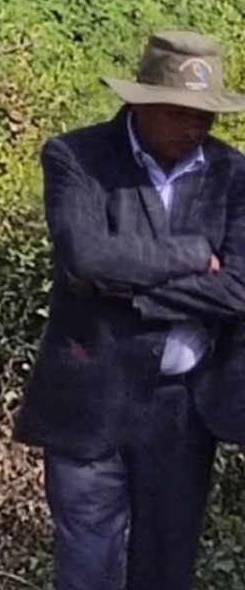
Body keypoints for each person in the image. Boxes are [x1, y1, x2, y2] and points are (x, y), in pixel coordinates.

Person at [14, 30, 245, 590]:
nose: (193, 129)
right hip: (91, 397)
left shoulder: (233, 175)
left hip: (182, 409)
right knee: (88, 572)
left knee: (165, 573)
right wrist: (193, 255)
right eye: (179, 114)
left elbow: (239, 289)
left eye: (204, 117)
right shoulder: (77, 157)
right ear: (141, 102)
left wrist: (131, 290)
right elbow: (87, 255)